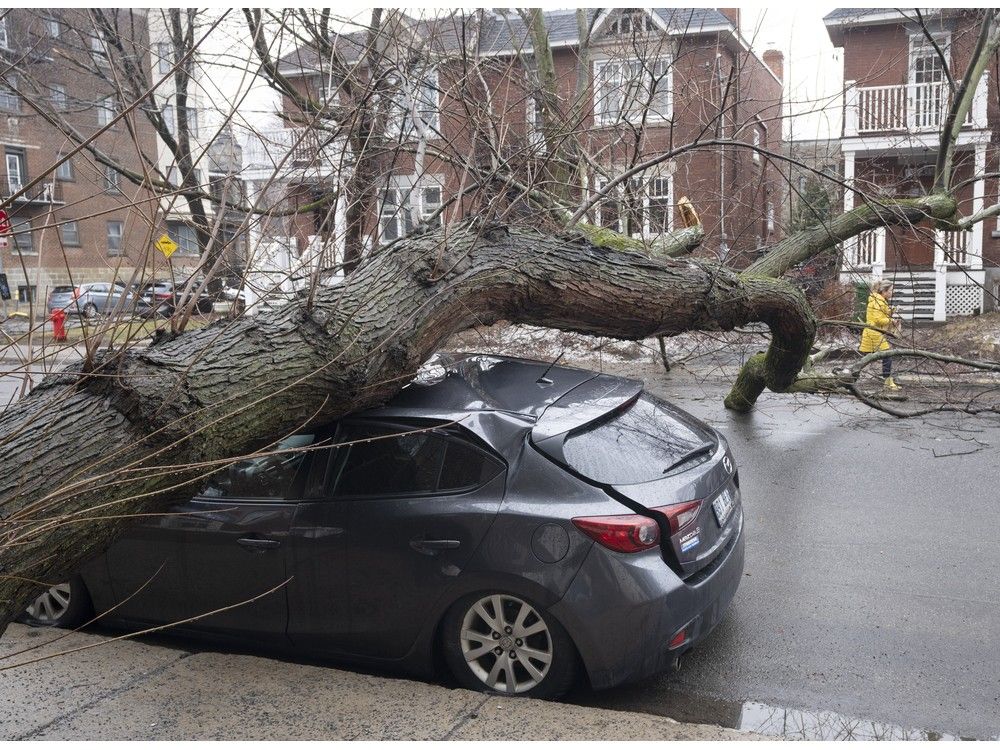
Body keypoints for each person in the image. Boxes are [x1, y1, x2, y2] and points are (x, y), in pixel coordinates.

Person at [859, 280, 901, 391]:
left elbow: (882, 314)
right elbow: (878, 319)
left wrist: (892, 311)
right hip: (874, 332)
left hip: (873, 332)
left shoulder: (880, 300)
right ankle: (888, 382)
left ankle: (850, 374)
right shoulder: (877, 302)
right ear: (884, 291)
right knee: (887, 355)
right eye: (891, 290)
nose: (892, 292)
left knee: (867, 358)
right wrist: (891, 321)